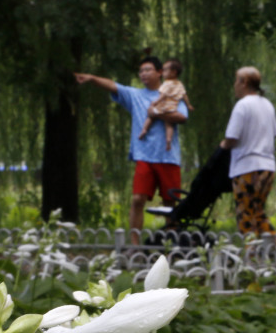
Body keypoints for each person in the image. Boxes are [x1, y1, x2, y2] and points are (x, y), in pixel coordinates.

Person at [74, 57, 188, 244]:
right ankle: (135, 245)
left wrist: (156, 113)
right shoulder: (135, 95)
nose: (143, 74)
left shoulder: (173, 93)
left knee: (169, 202)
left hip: (168, 157)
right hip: (144, 156)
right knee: (137, 199)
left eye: (148, 70)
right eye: (141, 71)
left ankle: (172, 241)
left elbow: (183, 116)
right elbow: (113, 85)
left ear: (160, 72)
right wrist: (92, 78)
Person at [220, 66, 276, 236]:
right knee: (258, 212)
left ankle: (251, 255)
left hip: (247, 167)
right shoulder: (267, 104)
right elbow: (274, 133)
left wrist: (223, 145)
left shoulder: (242, 106)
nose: (234, 85)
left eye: (236, 80)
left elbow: (232, 137)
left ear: (244, 83)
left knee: (245, 214)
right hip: (267, 167)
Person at [139, 59, 193, 151]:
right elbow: (184, 95)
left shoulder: (167, 83)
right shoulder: (180, 84)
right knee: (169, 124)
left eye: (164, 70)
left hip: (164, 106)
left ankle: (144, 129)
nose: (162, 72)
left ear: (173, 72)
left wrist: (156, 102)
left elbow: (163, 95)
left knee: (151, 115)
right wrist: (188, 105)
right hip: (173, 108)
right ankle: (168, 139)